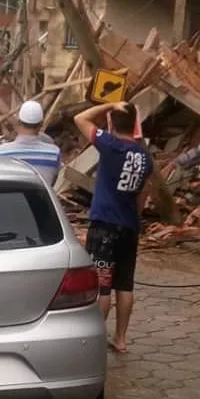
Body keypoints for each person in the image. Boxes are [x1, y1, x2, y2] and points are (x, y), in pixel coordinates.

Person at [74, 101, 153, 353]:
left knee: (103, 285)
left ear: (111, 124)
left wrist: (109, 103)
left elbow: (80, 118)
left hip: (105, 225)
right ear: (135, 125)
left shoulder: (109, 145)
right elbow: (143, 194)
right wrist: (136, 219)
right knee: (125, 285)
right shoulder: (144, 157)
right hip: (129, 227)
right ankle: (121, 339)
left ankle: (95, 339)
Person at [0, 100, 61, 186]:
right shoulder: (54, 153)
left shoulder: (3, 152)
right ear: (41, 124)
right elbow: (54, 181)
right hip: (43, 199)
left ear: (19, 122)